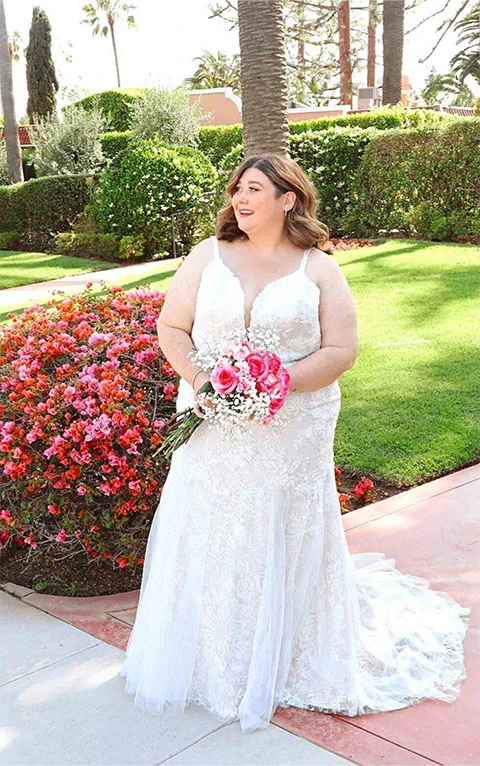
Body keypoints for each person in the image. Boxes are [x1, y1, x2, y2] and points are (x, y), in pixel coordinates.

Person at [119, 153, 469, 734]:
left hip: (294, 425)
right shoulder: (207, 256)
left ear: (289, 199)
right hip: (214, 420)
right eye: (236, 189)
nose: (240, 198)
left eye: (254, 188)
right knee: (211, 523)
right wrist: (204, 381)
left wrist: (275, 381)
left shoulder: (319, 268)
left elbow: (340, 352)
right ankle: (213, 653)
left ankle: (292, 650)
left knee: (280, 526)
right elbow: (172, 327)